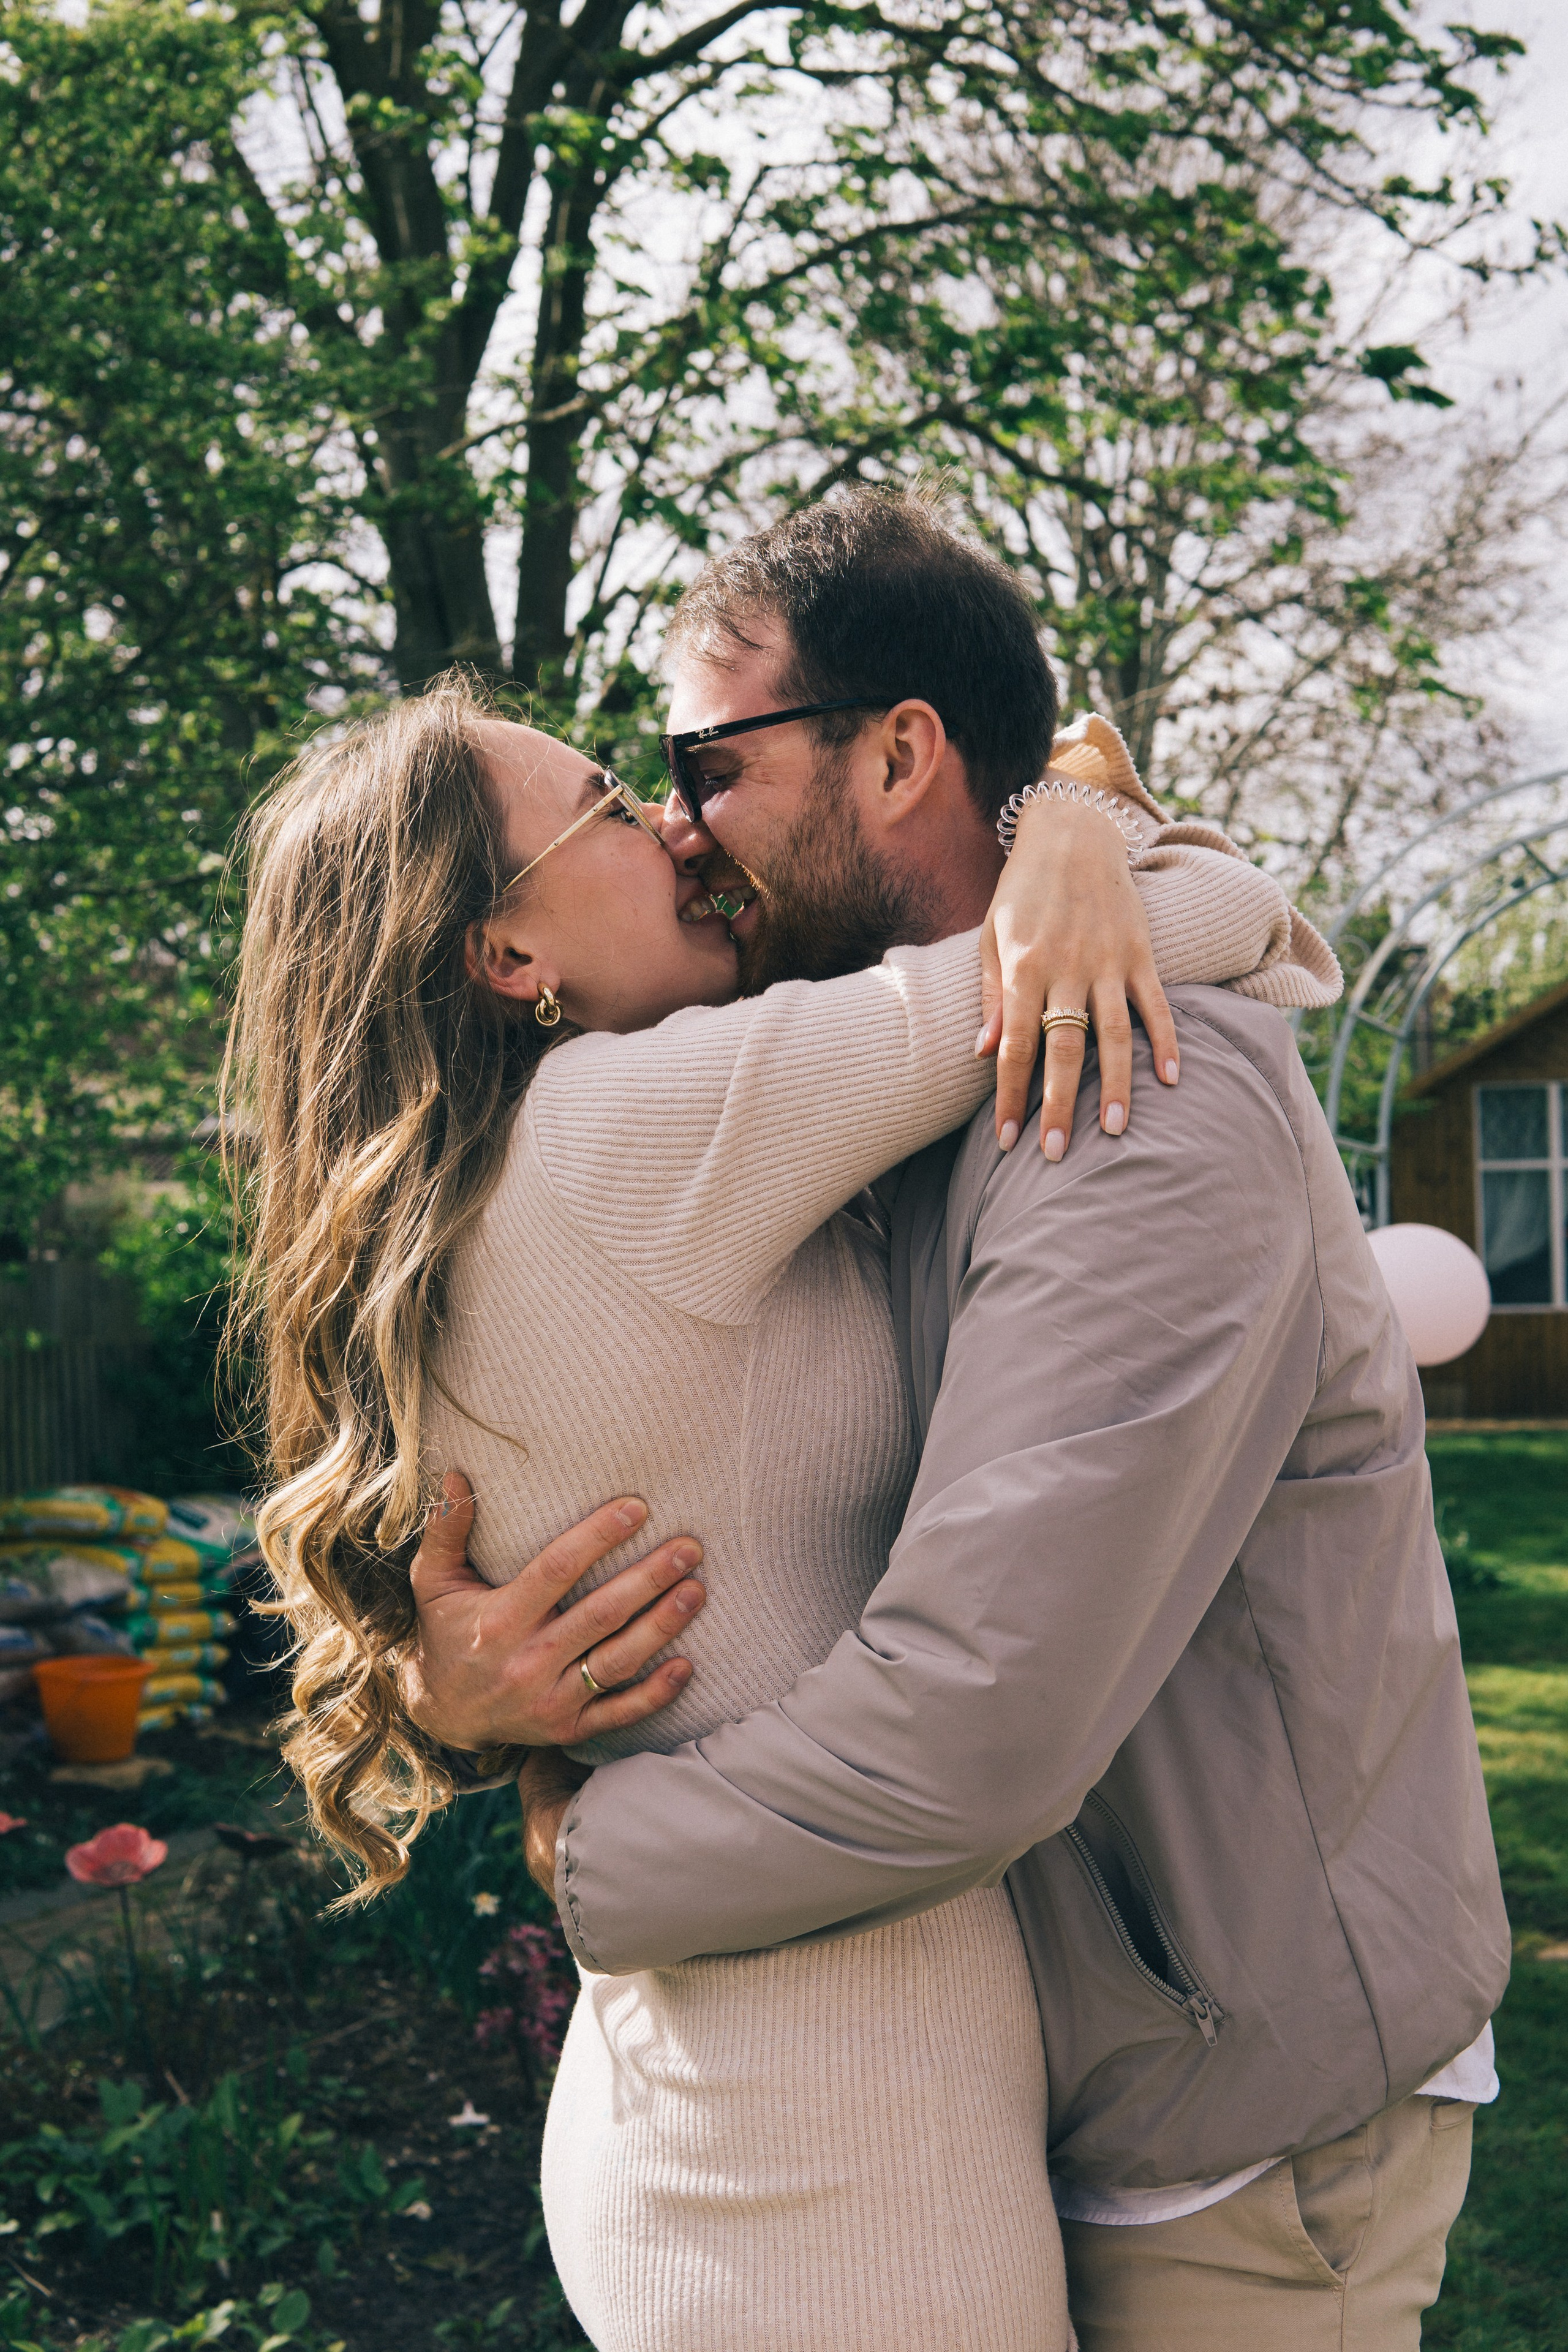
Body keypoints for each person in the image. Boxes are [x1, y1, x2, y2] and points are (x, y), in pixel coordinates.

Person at [407, 492, 1510, 2350]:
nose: (678, 828)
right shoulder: (888, 1078)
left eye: (706, 767)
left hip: (1232, 2130)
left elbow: (973, 1723)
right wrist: (451, 1693)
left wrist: (582, 1849)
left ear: (901, 752)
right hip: (1028, 2078)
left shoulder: (1137, 1096)